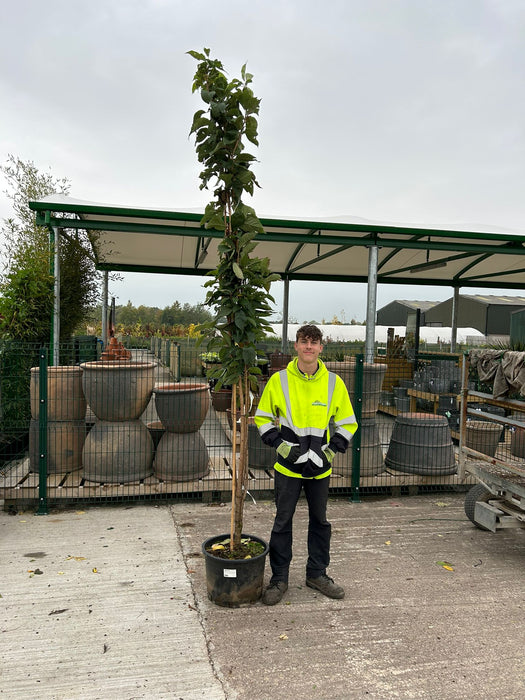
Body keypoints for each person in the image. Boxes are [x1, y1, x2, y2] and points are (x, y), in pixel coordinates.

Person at [255, 324, 357, 605]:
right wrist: (281, 446)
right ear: (296, 346)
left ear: (321, 347)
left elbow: (348, 423)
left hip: (320, 468)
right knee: (282, 522)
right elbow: (262, 418)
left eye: (314, 342)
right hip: (288, 467)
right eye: (304, 341)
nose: (309, 347)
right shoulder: (279, 381)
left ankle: (316, 574)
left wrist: (330, 452)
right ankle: (279, 579)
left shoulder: (334, 383)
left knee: (320, 522)